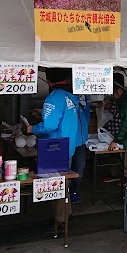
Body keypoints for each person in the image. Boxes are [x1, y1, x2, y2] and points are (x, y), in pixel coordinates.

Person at [27, 68, 90, 203]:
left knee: (58, 181)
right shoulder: (78, 93)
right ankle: (69, 200)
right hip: (77, 139)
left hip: (59, 145)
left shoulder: (55, 96)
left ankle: (62, 214)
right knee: (72, 175)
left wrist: (33, 129)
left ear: (49, 80)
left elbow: (50, 126)